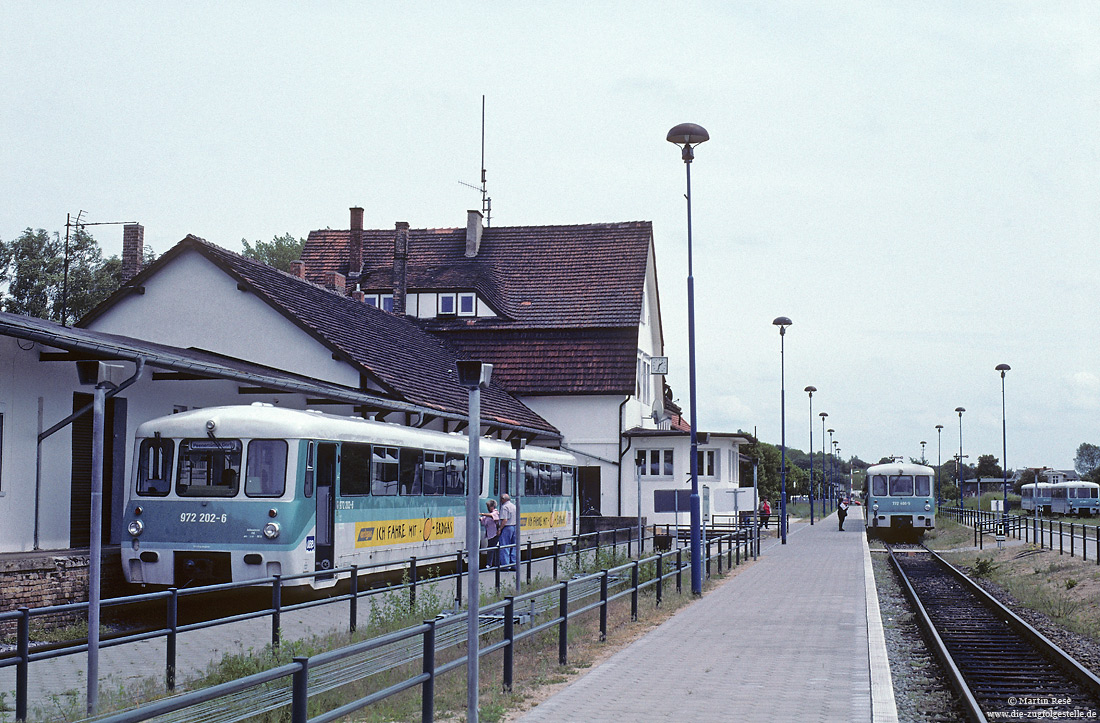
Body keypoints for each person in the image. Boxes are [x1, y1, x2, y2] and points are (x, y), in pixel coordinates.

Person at [498, 493, 517, 569]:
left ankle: (505, 565)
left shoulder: (504, 507)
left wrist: (500, 529)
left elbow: (504, 520)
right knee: (513, 546)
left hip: (507, 527)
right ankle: (514, 564)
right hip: (514, 527)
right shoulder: (514, 506)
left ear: (503, 499)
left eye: (501, 499)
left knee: (505, 546)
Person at [480, 499, 500, 567]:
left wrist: (482, 514)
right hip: (490, 534)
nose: (488, 508)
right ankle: (492, 563)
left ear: (492, 507)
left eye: (488, 507)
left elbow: (492, 516)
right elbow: (483, 520)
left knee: (491, 548)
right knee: (491, 548)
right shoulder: (487, 515)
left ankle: (489, 563)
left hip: (495, 533)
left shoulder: (496, 512)